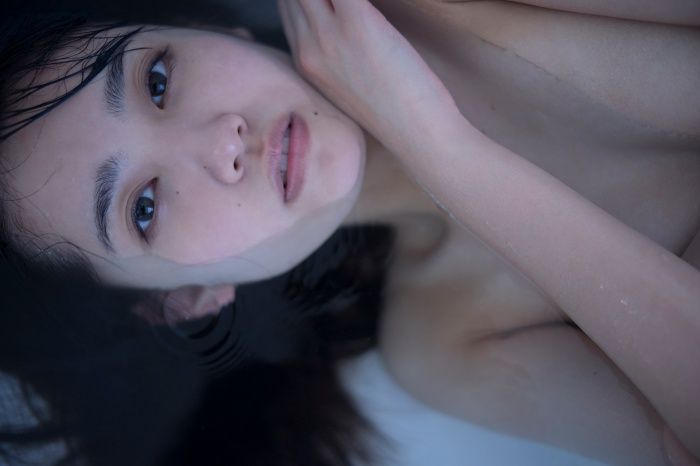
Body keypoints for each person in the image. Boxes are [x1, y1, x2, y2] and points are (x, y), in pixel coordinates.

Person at [1, 0, 698, 464]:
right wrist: (443, 152)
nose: (220, 141)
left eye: (156, 80)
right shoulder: (453, 348)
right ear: (185, 300)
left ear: (204, 28)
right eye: (145, 207)